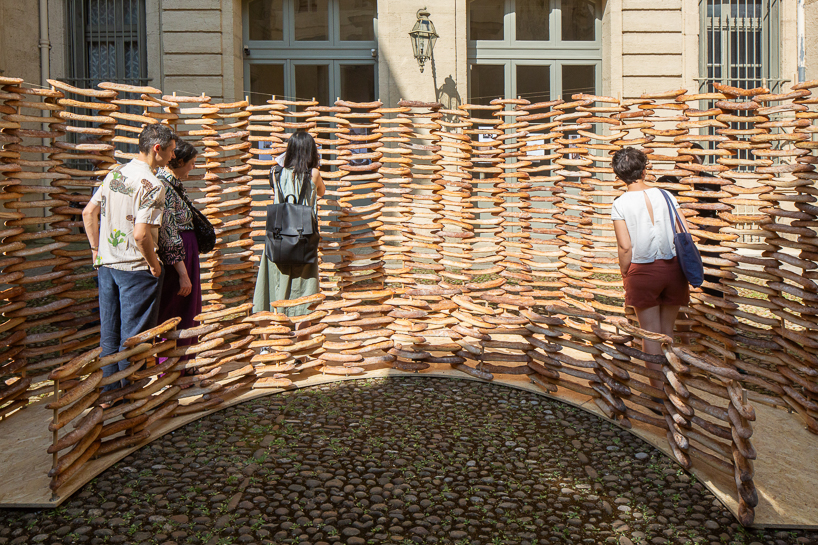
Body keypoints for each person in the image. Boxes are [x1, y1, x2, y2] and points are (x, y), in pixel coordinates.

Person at [83, 124, 176, 394]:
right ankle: (129, 401)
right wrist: (154, 265)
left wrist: (96, 250)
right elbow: (140, 234)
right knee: (133, 341)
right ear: (157, 149)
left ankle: (108, 396)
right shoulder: (153, 185)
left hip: (107, 266)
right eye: (171, 151)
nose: (173, 156)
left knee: (109, 337)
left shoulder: (115, 174)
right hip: (136, 268)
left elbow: (88, 213)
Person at [611, 147, 690, 389]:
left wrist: (625, 272)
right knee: (667, 333)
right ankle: (673, 384)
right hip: (674, 270)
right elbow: (684, 230)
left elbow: (625, 247)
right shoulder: (666, 196)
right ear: (644, 170)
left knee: (651, 335)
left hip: (643, 271)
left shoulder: (620, 204)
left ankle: (658, 392)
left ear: (618, 175)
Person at [253, 131, 325, 319]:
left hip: (278, 236)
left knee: (273, 281)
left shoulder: (275, 172)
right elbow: (321, 192)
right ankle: (301, 331)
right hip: (303, 236)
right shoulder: (314, 174)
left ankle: (269, 331)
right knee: (304, 285)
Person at [156, 140, 202, 357]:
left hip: (187, 251)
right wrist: (182, 273)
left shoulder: (175, 184)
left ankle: (187, 360)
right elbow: (168, 232)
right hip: (178, 257)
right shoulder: (163, 186)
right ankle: (171, 363)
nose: (193, 167)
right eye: (192, 163)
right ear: (180, 161)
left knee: (189, 307)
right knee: (175, 308)